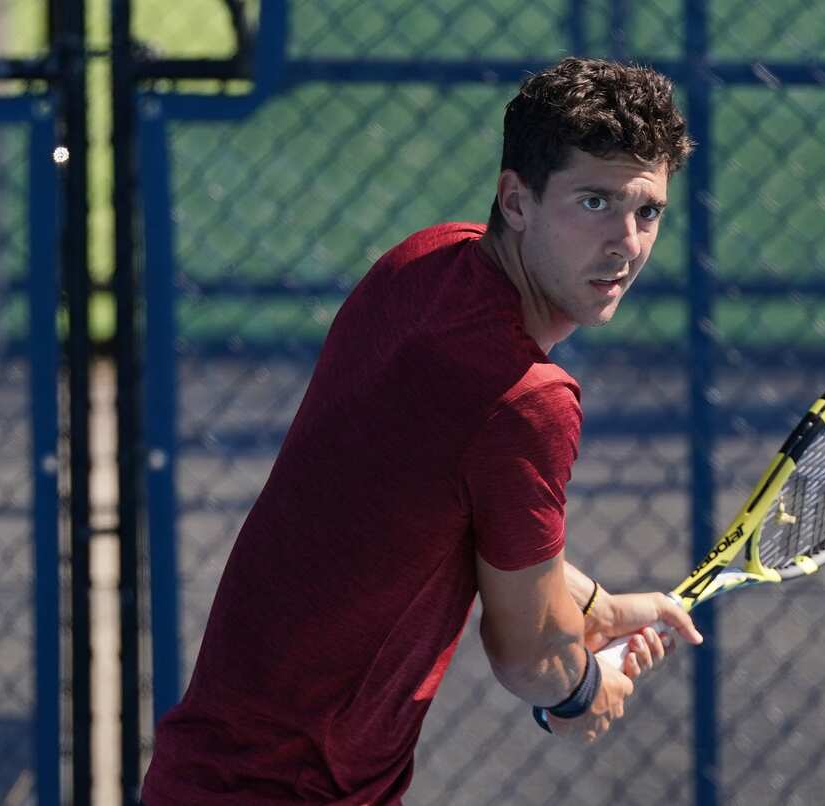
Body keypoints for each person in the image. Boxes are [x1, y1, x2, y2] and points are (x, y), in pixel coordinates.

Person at [141, 56, 703, 805]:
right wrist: (577, 692)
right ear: (516, 199)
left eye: (648, 212)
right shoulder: (527, 400)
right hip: (293, 789)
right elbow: (528, 651)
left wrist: (595, 608)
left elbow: (441, 522)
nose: (627, 242)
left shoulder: (425, 261)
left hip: (208, 772)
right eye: (594, 202)